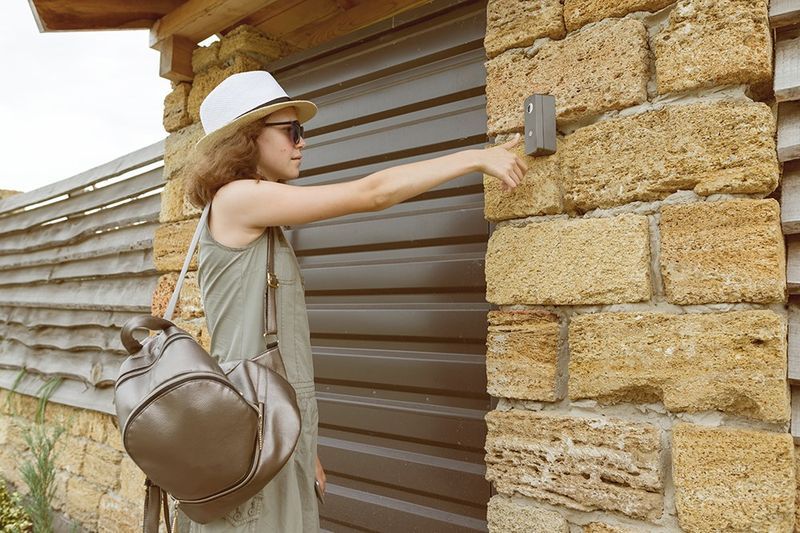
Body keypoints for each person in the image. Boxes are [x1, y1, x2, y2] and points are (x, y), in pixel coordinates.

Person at [174, 70, 527, 532]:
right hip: (252, 426)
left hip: (266, 424)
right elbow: (372, 193)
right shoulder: (240, 199)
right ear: (246, 139)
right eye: (291, 131)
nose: (302, 143)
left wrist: (304, 448)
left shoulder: (252, 212)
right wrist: (474, 158)